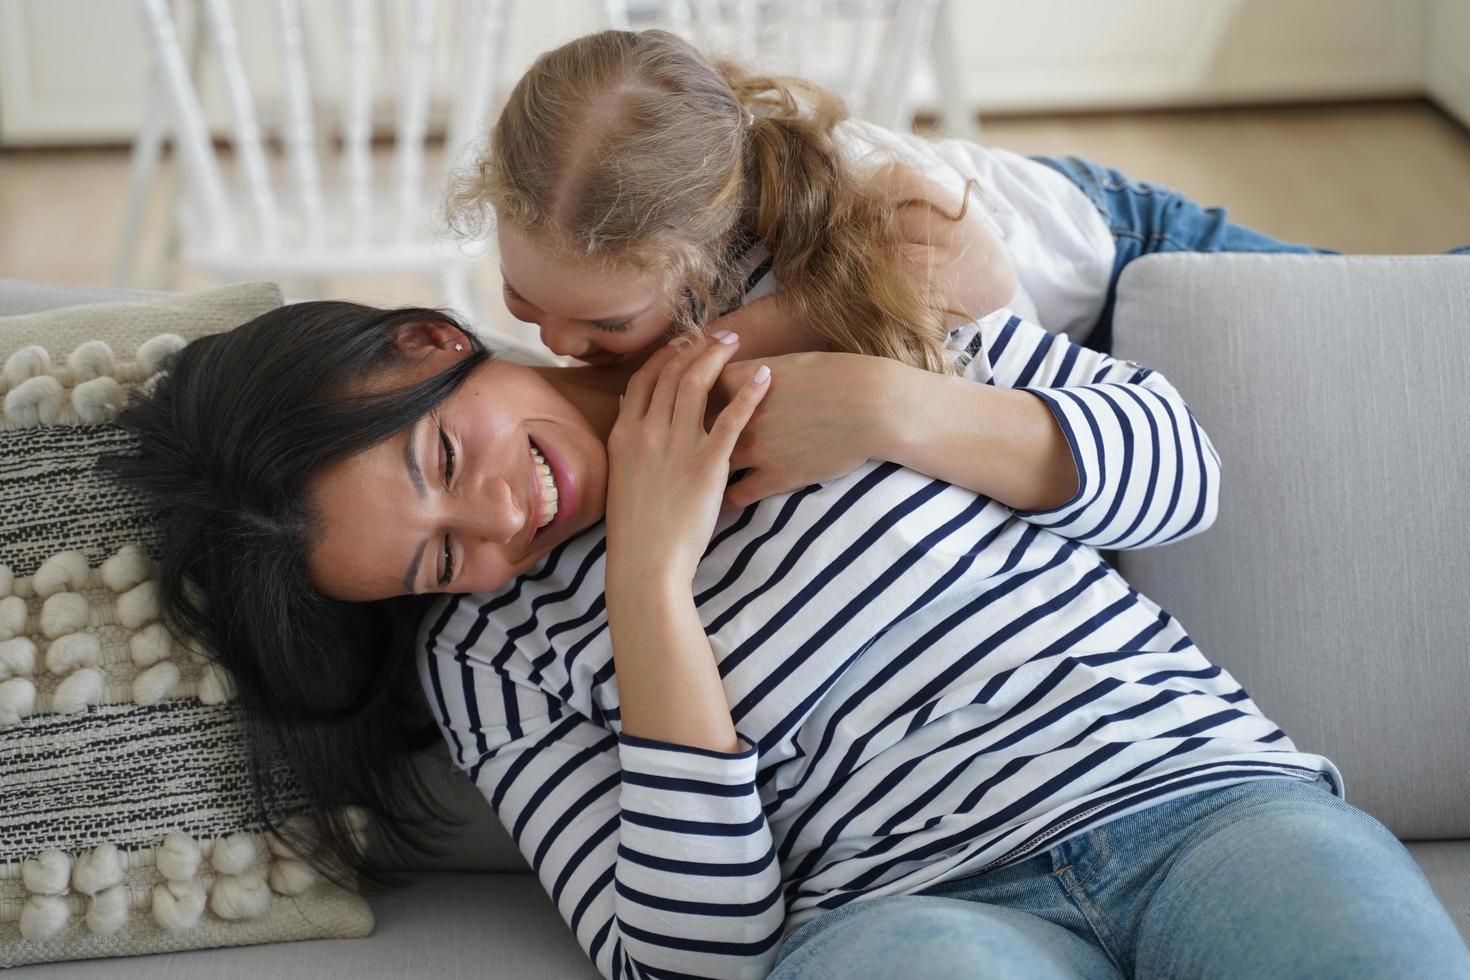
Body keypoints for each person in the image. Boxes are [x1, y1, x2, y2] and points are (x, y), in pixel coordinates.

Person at [108, 298, 1470, 979]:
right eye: (437, 562)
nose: (498, 523)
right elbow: (681, 961)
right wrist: (649, 583)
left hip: (1201, 809)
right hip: (909, 922)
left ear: (428, 341)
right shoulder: (487, 660)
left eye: (443, 458)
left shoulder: (806, 308)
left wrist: (892, 407)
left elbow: (1181, 474)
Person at [449, 28, 1341, 511]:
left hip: (1111, 249)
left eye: (608, 325)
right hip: (1045, 356)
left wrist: (707, 351)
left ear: (714, 252)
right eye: (524, 297)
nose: (562, 344)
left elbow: (984, 288)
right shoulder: (622, 246)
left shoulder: (860, 187)